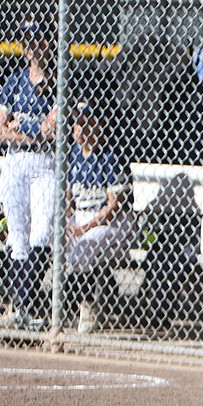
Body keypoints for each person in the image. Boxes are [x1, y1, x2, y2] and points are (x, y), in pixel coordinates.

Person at [0, 16, 58, 330]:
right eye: (27, 40)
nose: (31, 45)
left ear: (49, 41)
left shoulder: (59, 79)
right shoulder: (14, 80)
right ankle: (23, 311)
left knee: (41, 233)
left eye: (37, 38)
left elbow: (50, 130)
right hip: (15, 162)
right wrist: (24, 131)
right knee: (17, 238)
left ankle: (23, 308)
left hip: (45, 164)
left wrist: (20, 126)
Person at [63, 101, 135, 333]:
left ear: (100, 125)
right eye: (77, 123)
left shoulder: (111, 155)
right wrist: (67, 220)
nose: (80, 129)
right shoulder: (73, 153)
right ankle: (54, 306)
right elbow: (68, 198)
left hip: (115, 222)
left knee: (84, 246)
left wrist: (84, 228)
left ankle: (87, 307)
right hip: (82, 217)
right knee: (51, 239)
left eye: (87, 123)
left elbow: (115, 207)